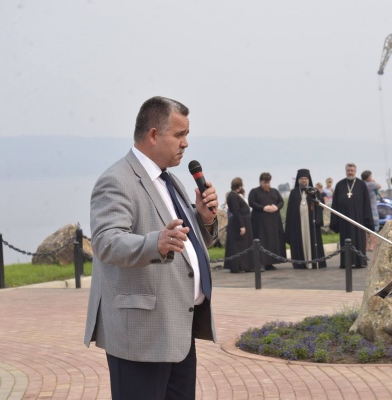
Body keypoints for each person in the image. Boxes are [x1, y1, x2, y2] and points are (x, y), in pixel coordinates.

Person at [83, 96, 220, 400]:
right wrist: (153, 242)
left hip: (178, 330)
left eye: (187, 135)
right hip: (141, 336)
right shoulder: (117, 180)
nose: (186, 143)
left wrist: (204, 219)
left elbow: (184, 242)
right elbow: (106, 241)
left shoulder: (171, 181)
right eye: (179, 134)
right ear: (154, 135)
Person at [330, 163, 373, 268]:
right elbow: (335, 204)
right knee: (346, 240)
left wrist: (367, 221)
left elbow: (367, 203)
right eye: (348, 170)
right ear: (346, 171)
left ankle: (360, 262)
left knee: (359, 240)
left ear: (355, 171)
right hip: (344, 220)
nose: (350, 172)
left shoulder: (361, 185)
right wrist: (335, 221)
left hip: (358, 218)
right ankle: (346, 263)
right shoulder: (340, 185)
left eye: (352, 171)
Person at [284, 169, 327, 269]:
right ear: (298, 180)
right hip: (298, 223)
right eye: (302, 179)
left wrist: (317, 219)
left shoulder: (314, 191)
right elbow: (290, 211)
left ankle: (314, 263)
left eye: (305, 179)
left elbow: (320, 206)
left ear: (308, 180)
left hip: (311, 223)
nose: (303, 181)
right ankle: (301, 264)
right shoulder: (294, 193)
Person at [248, 172, 286, 270]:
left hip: (273, 223)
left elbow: (281, 201)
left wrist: (276, 207)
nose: (266, 185)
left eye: (268, 183)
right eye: (264, 183)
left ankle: (270, 263)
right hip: (260, 223)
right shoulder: (254, 192)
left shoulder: (274, 191)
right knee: (262, 242)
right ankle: (261, 263)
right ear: (260, 182)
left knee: (273, 242)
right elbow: (251, 202)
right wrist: (263, 208)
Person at [225, 177, 255, 273]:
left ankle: (245, 265)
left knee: (243, 245)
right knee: (238, 246)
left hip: (243, 222)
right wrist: (242, 225)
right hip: (238, 224)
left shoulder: (235, 195)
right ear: (240, 186)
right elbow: (236, 211)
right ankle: (238, 266)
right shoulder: (233, 196)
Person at [361, 170, 381, 251]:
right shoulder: (371, 184)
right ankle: (372, 245)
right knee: (374, 228)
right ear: (368, 177)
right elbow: (379, 186)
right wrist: (373, 181)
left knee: (365, 228)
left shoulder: (361, 184)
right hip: (372, 209)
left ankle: (366, 246)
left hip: (364, 209)